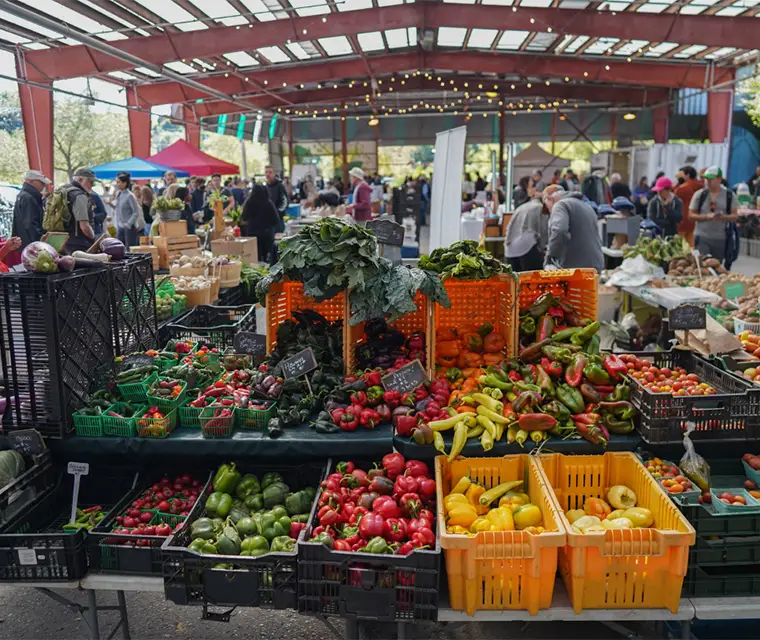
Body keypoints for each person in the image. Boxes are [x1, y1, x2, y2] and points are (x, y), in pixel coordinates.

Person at [543, 185, 604, 272]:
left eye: (547, 206)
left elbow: (560, 231)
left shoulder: (560, 205)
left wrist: (551, 257)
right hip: (595, 266)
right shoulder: (587, 207)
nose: (549, 211)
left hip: (575, 269)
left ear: (550, 199)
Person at [689, 166, 738, 262]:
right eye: (706, 179)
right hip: (701, 237)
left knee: (716, 266)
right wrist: (706, 217)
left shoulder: (729, 195)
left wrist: (723, 217)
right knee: (702, 264)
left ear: (719, 179)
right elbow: (690, 215)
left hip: (720, 238)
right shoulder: (700, 194)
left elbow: (735, 216)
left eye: (711, 179)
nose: (708, 182)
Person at [504, 186, 548, 271]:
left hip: (510, 250)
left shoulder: (522, 207)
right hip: (527, 248)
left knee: (516, 281)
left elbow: (509, 227)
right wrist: (544, 250)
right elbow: (543, 231)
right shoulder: (540, 208)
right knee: (532, 280)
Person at [59, 167, 97, 253]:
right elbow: (84, 226)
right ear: (80, 179)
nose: (92, 185)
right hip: (78, 244)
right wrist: (93, 238)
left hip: (61, 241)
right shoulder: (79, 196)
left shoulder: (63, 189)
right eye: (90, 181)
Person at [241, 183, 279, 264]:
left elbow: (244, 217)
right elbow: (275, 220)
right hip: (267, 234)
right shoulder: (269, 203)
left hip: (253, 234)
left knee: (254, 258)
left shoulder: (249, 203)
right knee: (267, 258)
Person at [12, 169, 50, 250]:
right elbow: (30, 223)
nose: (43, 185)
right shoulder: (28, 198)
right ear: (32, 181)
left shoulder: (23, 195)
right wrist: (39, 241)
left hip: (24, 243)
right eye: (41, 182)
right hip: (31, 245)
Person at [673, 166, 702, 248]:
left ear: (687, 175)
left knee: (678, 245)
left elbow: (673, 200)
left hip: (683, 220)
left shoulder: (683, 188)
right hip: (695, 220)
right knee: (691, 245)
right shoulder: (701, 186)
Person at [113, 172, 141, 248]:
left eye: (119, 182)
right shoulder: (119, 194)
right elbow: (118, 208)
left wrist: (128, 224)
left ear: (125, 183)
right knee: (120, 248)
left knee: (130, 249)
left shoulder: (130, 196)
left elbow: (136, 212)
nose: (117, 184)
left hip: (129, 227)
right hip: (120, 226)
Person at [264, 166, 289, 232]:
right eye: (266, 172)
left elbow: (285, 202)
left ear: (274, 174)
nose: (268, 174)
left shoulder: (280, 186)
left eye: (270, 172)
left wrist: (277, 213)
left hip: (278, 221)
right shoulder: (264, 187)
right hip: (267, 221)